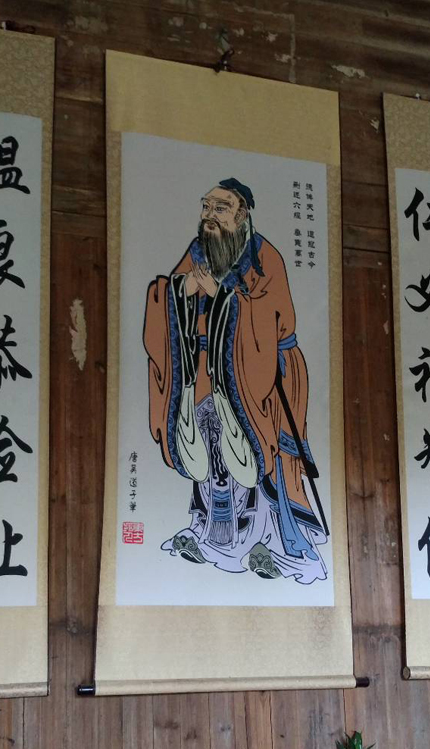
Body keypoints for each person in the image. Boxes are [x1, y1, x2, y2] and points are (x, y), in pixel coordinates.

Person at [142, 177, 327, 583]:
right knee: (210, 453)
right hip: (207, 373)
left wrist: (222, 295)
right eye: (206, 206)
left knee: (265, 457)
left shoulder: (264, 258)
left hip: (263, 375)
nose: (209, 215)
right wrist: (183, 289)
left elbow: (272, 319)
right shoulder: (198, 252)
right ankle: (211, 536)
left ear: (242, 214)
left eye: (220, 208)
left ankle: (280, 545)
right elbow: (164, 299)